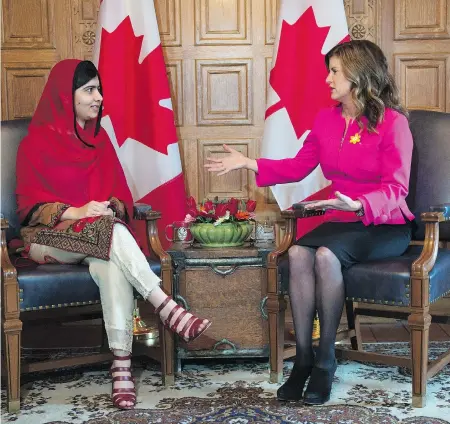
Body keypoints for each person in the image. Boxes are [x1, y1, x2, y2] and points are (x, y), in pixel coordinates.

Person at [205, 40, 415, 405]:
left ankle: (325, 361)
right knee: (300, 253)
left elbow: (397, 189)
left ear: (358, 75)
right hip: (341, 219)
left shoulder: (394, 124)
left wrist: (361, 204)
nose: (327, 79)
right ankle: (302, 359)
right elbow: (300, 165)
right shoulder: (326, 120)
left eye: (334, 71)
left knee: (325, 257)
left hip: (383, 223)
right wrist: (251, 163)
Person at [15, 59, 211, 410]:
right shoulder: (35, 143)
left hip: (98, 238)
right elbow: (27, 208)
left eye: (99, 90)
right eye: (89, 90)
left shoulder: (99, 139)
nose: (98, 98)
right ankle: (167, 307)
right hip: (46, 240)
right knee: (110, 233)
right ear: (65, 95)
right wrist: (75, 211)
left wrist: (107, 207)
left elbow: (119, 197)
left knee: (109, 261)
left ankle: (121, 366)